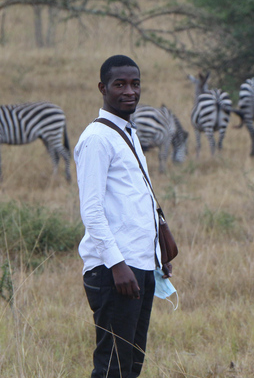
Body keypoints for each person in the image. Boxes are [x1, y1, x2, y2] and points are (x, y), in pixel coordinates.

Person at [74, 55, 172, 378]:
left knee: (131, 365)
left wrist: (156, 254)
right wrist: (117, 264)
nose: (130, 91)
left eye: (135, 84)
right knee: (112, 366)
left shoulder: (126, 133)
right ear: (103, 88)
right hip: (114, 270)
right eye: (120, 84)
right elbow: (91, 210)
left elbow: (132, 202)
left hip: (139, 266)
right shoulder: (96, 139)